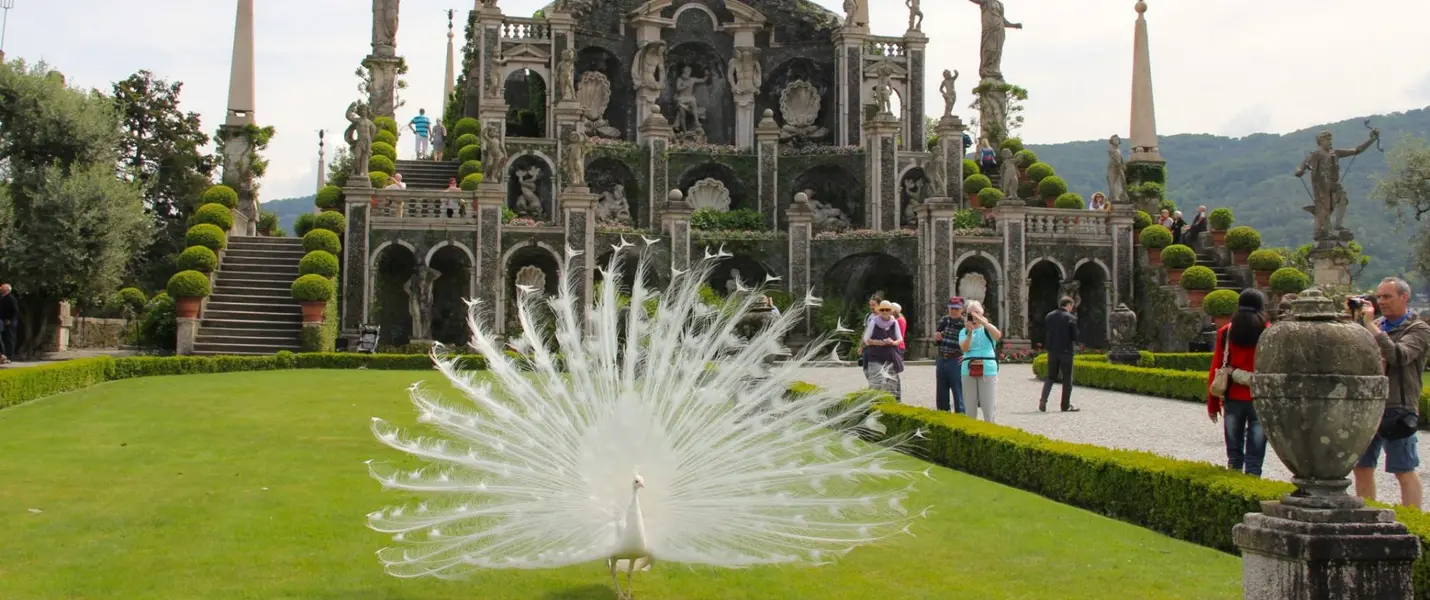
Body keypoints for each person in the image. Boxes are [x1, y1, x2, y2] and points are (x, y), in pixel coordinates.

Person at [1353, 277, 1430, 508]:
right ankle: (1368, 521)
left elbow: (1399, 356)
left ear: (1404, 297)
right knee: (1361, 467)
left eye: (1387, 296)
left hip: (1398, 407)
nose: (1381, 301)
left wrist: (1372, 328)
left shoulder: (1418, 329)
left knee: (1403, 470)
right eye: (1379, 297)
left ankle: (1412, 524)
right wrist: (1356, 322)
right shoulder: (1375, 324)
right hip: (1369, 406)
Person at [1207, 289, 1271, 477]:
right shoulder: (1269, 331)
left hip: (1233, 397)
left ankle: (1233, 490)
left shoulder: (1227, 332)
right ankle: (1251, 488)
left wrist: (1212, 403)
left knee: (1234, 457)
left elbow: (1217, 367)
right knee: (1255, 458)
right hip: (1260, 396)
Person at [959, 300, 1001, 422]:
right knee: (970, 408)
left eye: (976, 312)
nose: (974, 315)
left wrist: (982, 321)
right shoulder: (964, 331)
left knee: (988, 407)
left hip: (987, 369)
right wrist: (970, 333)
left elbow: (997, 335)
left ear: (982, 313)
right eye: (971, 313)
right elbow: (965, 348)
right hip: (968, 369)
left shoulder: (988, 329)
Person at [1039, 296, 1080, 413]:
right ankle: (1065, 405)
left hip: (1052, 351)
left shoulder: (1049, 316)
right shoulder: (1071, 318)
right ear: (1069, 305)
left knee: (1050, 376)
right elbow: (1075, 337)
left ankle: (1043, 400)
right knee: (1067, 378)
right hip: (1066, 351)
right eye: (1072, 306)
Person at [862, 300, 904, 401]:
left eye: (887, 310)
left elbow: (900, 338)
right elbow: (866, 339)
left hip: (890, 357)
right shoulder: (874, 322)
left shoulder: (894, 322)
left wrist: (894, 343)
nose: (885, 312)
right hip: (876, 356)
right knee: (877, 383)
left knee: (892, 386)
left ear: (891, 311)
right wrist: (876, 342)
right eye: (883, 310)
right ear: (880, 311)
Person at [933, 297, 966, 413]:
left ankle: (961, 415)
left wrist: (966, 355)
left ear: (962, 309)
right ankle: (943, 414)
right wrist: (938, 339)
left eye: (956, 309)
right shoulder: (944, 320)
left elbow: (970, 342)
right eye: (951, 308)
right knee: (941, 390)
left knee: (958, 390)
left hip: (955, 359)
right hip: (942, 358)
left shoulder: (965, 324)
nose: (953, 311)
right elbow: (937, 341)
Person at [0, 283, 18, 363]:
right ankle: (4, 355)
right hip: (3, 320)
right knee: (4, 338)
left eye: (2, 288)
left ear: (7, 289)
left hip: (9, 321)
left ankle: (10, 356)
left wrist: (9, 319)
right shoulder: (3, 298)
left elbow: (14, 310)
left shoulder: (10, 298)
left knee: (10, 338)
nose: (1, 289)